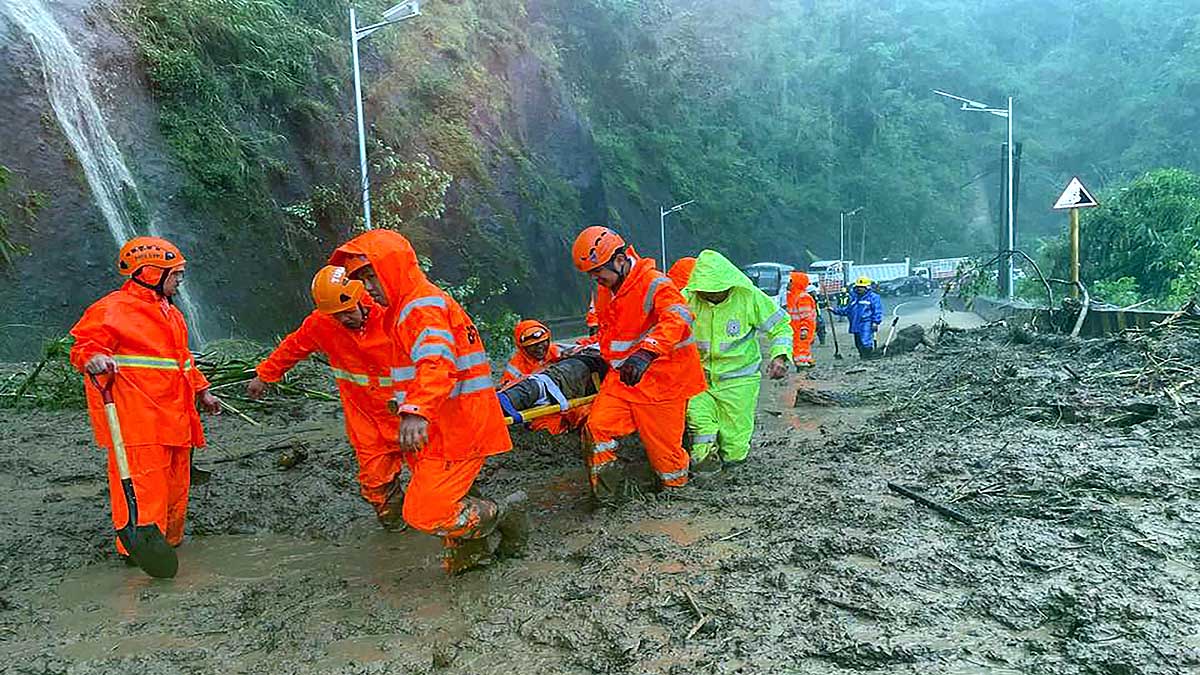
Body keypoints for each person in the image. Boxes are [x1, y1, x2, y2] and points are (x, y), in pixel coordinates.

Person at [330, 230, 526, 574]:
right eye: (361, 279)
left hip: (457, 427)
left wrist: (415, 411)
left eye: (371, 275)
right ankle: (470, 557)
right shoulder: (409, 307)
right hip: (444, 426)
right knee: (448, 500)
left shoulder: (420, 306)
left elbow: (436, 361)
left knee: (424, 511)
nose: (367, 287)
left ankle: (506, 514)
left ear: (392, 267)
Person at [69, 236, 220, 563]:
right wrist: (92, 359)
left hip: (174, 416)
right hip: (138, 421)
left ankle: (169, 544)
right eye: (175, 274)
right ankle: (137, 555)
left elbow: (182, 361)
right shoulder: (112, 309)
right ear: (152, 273)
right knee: (144, 488)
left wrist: (202, 390)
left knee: (176, 486)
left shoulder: (171, 314)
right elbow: (84, 345)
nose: (180, 280)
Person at [247, 265, 407, 531]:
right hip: (366, 419)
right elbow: (293, 347)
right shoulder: (321, 323)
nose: (344, 320)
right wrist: (264, 376)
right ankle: (397, 528)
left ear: (359, 298)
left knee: (437, 476)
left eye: (347, 312)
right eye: (336, 315)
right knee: (375, 484)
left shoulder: (392, 314)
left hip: (410, 414)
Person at [571, 226, 706, 502]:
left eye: (598, 271)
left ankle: (676, 497)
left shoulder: (655, 283)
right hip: (624, 379)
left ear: (620, 259)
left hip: (663, 383)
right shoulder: (605, 288)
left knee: (665, 457)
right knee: (597, 428)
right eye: (591, 274)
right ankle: (608, 498)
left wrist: (647, 352)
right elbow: (611, 331)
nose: (595, 279)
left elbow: (679, 316)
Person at [683, 250, 791, 477]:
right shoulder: (687, 298)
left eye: (714, 291)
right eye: (704, 292)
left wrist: (779, 356)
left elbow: (780, 326)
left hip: (738, 382)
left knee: (735, 441)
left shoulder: (749, 297)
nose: (709, 296)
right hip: (698, 378)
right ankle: (705, 464)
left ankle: (732, 469)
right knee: (699, 421)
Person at [500, 319, 588, 435]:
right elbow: (511, 394)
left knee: (587, 416)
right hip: (543, 409)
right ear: (523, 347)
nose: (540, 347)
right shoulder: (516, 367)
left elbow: (583, 349)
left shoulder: (555, 350)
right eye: (534, 345)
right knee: (547, 431)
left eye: (543, 342)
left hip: (568, 397)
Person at [832, 276, 884, 359]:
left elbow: (877, 310)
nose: (859, 289)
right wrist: (834, 310)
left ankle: (868, 356)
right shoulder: (854, 298)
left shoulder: (873, 297)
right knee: (858, 342)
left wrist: (876, 322)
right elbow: (847, 310)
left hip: (866, 323)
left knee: (865, 341)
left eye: (861, 287)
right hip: (855, 323)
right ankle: (862, 356)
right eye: (858, 287)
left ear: (867, 287)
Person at [786, 271, 818, 370]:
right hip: (795, 329)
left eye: (791, 281)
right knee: (800, 347)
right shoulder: (793, 296)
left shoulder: (803, 297)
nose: (788, 284)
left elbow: (806, 316)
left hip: (801, 330)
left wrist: (804, 329)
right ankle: (807, 361)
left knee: (801, 348)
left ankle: (802, 366)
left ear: (797, 283)